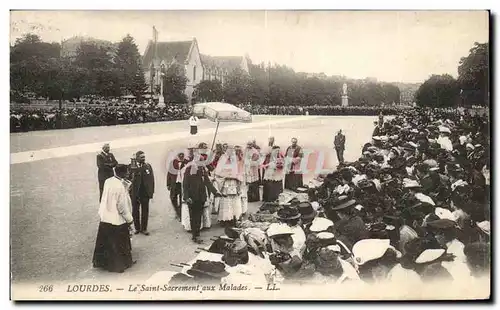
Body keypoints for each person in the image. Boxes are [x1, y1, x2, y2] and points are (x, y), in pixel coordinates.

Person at [93, 164, 136, 273]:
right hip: (116, 219)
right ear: (122, 173)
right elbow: (122, 207)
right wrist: (129, 219)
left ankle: (102, 263)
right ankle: (120, 265)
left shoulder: (109, 181)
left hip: (105, 216)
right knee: (119, 244)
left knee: (105, 243)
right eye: (127, 172)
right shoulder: (120, 187)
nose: (128, 174)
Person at [183, 150, 222, 243]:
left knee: (199, 216)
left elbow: (207, 182)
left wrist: (216, 192)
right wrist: (187, 197)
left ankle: (197, 234)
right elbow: (185, 184)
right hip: (192, 197)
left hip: (201, 197)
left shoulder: (203, 169)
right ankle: (194, 235)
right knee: (193, 217)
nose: (202, 163)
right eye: (201, 161)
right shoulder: (189, 169)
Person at [130, 151, 155, 236]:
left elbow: (151, 179)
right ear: (137, 158)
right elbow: (127, 179)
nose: (143, 159)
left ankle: (144, 228)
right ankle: (137, 228)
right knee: (135, 211)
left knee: (145, 210)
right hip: (135, 193)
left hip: (145, 193)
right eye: (141, 157)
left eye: (144, 157)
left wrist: (151, 192)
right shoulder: (132, 166)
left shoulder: (147, 166)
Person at [167, 151, 188, 221]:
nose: (181, 155)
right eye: (180, 154)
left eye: (182, 154)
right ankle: (177, 211)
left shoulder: (186, 162)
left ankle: (181, 214)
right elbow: (169, 173)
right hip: (174, 183)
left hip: (182, 183)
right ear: (177, 155)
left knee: (182, 198)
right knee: (173, 197)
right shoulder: (173, 162)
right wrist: (168, 184)